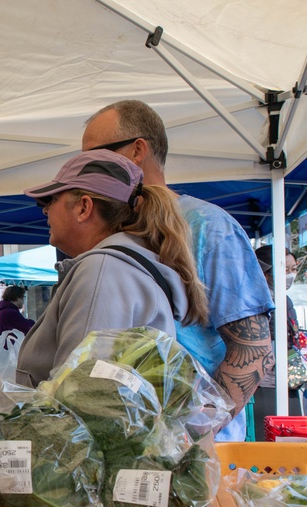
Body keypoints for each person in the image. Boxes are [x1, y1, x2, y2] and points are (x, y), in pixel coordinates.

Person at [82, 100, 274, 441]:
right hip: (126, 450)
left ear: (138, 150)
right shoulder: (109, 236)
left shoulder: (208, 226)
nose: (86, 170)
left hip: (199, 458)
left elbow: (254, 349)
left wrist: (188, 435)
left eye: (95, 157)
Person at [16, 149, 208, 386]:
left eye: (52, 199)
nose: (45, 210)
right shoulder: (119, 267)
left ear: (83, 207)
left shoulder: (102, 271)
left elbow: (78, 395)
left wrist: (0, 402)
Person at [252, 245, 303, 431]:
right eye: (285, 269)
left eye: (293, 269)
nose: (291, 274)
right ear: (265, 274)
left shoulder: (285, 300)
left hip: (288, 379)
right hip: (265, 385)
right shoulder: (259, 301)